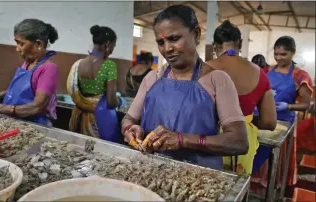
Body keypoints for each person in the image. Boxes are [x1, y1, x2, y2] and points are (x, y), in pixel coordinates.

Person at [121, 5, 248, 171]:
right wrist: (130, 129)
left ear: (195, 34)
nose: (167, 49)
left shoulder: (217, 80)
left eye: (174, 38)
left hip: (198, 180)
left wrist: (183, 140)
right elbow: (128, 119)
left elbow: (239, 141)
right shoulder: (152, 78)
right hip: (149, 170)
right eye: (161, 42)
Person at [207, 20, 277, 175]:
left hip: (207, 144)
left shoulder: (202, 70)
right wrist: (246, 120)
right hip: (241, 146)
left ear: (214, 46)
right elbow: (270, 122)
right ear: (240, 43)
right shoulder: (260, 74)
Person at [0, 19, 59, 126]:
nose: (17, 49)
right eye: (16, 43)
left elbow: (37, 107)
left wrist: (0, 108)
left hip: (35, 125)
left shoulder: (49, 68)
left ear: (38, 44)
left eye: (21, 44)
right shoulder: (27, 64)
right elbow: (14, 92)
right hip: (15, 121)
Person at [251, 36, 314, 195]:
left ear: (292, 53)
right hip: (261, 118)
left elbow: (306, 104)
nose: (279, 58)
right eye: (276, 54)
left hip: (282, 122)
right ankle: (252, 187)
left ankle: (270, 190)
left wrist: (289, 106)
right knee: (255, 153)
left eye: (283, 54)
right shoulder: (267, 70)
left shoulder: (300, 75)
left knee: (273, 160)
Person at [67, 25, 126, 141]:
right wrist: (120, 101)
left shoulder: (78, 64)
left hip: (79, 117)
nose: (112, 50)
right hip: (99, 120)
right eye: (113, 46)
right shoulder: (109, 65)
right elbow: (110, 101)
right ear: (108, 45)